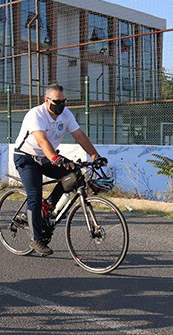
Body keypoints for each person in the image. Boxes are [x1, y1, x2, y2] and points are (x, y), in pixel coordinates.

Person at [13, 83, 107, 256]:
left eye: (64, 101)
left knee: (74, 174)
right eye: (57, 101)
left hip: (47, 157)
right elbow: (42, 140)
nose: (61, 105)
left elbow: (79, 135)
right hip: (27, 157)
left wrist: (95, 156)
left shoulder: (66, 114)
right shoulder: (36, 114)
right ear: (46, 100)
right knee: (34, 195)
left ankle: (48, 206)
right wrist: (56, 158)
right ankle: (36, 239)